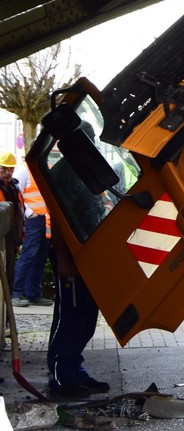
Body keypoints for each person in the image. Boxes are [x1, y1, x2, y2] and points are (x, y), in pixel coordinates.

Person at [47, 125, 110, 399]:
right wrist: (62, 259)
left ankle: (74, 370)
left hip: (88, 253)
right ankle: (61, 378)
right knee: (70, 318)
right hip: (70, 257)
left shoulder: (84, 170)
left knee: (86, 319)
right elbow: (59, 220)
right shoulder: (61, 174)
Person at [12, 161, 53, 307]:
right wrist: (29, 214)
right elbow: (17, 194)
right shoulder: (24, 171)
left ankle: (33, 293)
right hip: (34, 220)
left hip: (44, 219)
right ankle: (16, 293)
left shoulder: (44, 169)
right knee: (29, 255)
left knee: (40, 257)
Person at [0, 151, 25, 294]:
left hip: (10, 239)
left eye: (10, 169)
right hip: (2, 238)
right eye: (4, 168)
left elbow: (19, 214)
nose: (7, 172)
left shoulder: (14, 188)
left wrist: (18, 239)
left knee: (8, 276)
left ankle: (5, 312)